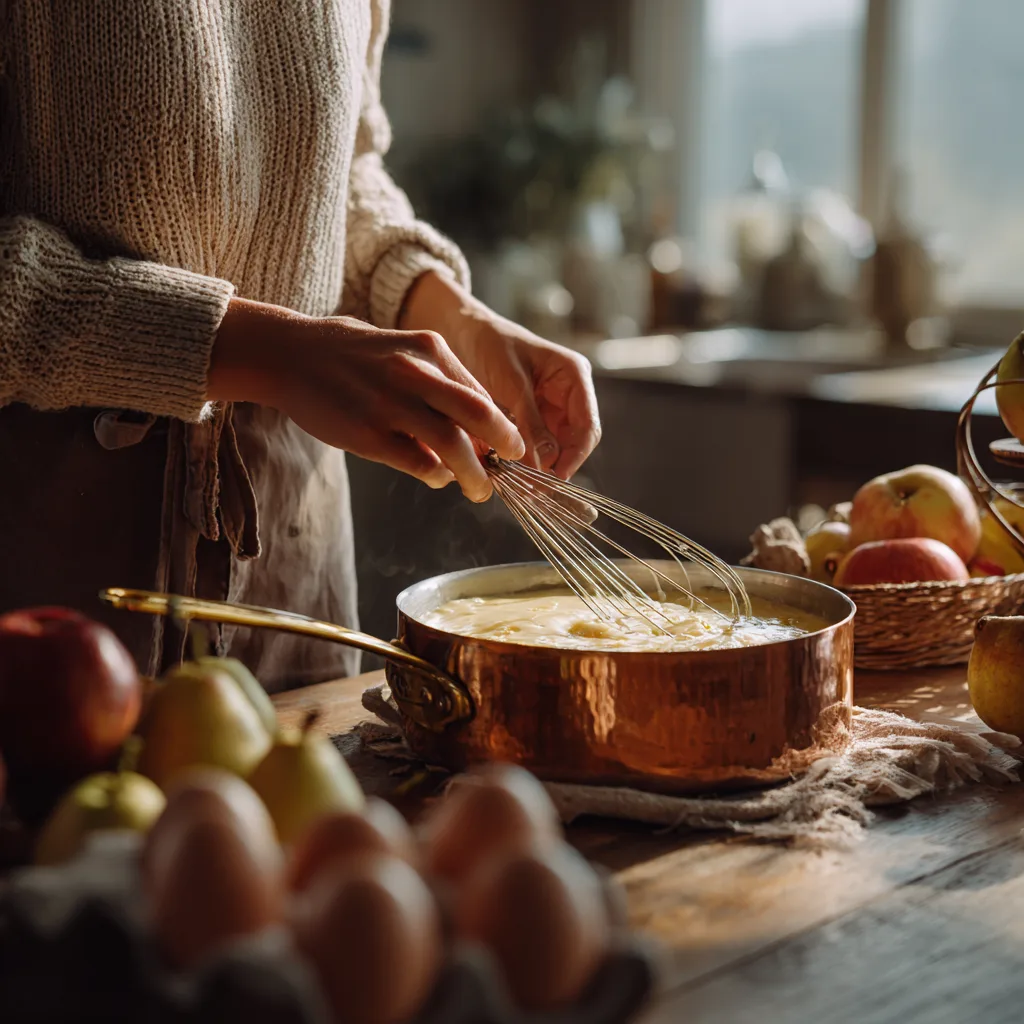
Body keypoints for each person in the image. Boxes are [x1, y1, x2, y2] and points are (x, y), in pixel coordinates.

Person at [0, 0, 601, 690]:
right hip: (56, 565)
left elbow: (344, 174)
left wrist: (442, 307)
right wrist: (273, 353)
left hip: (292, 558)